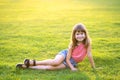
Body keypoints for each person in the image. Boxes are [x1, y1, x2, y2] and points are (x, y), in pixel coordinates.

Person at [16, 23, 95, 71]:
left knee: (50, 68)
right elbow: (67, 59)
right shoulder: (72, 44)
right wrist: (72, 68)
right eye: (77, 34)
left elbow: (89, 55)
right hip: (65, 55)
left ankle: (28, 67)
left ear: (85, 34)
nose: (80, 36)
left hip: (72, 62)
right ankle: (33, 62)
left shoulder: (87, 44)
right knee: (55, 62)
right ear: (74, 35)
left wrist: (93, 67)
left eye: (82, 33)